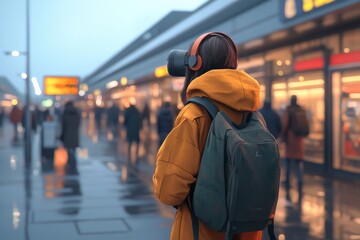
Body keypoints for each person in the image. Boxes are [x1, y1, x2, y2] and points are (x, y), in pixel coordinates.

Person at [153, 32, 262, 240]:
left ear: (196, 64)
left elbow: (168, 190)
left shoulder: (194, 115)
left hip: (201, 232)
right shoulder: (252, 112)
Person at [281, 95, 305, 195]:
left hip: (291, 139)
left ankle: (287, 180)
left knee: (288, 161)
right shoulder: (301, 110)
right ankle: (300, 181)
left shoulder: (289, 110)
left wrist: (283, 136)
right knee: (298, 162)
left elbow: (285, 124)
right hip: (299, 140)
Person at [60, 101, 81, 174]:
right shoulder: (77, 113)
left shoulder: (65, 113)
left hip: (67, 134)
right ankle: (72, 164)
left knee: (69, 150)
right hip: (75, 134)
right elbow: (78, 123)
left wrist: (62, 135)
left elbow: (63, 126)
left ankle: (71, 164)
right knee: (73, 150)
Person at [123, 100, 142, 165]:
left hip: (130, 128)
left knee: (130, 141)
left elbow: (125, 120)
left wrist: (125, 125)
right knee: (137, 141)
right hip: (136, 129)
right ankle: (136, 153)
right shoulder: (137, 111)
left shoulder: (128, 111)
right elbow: (140, 120)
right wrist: (140, 127)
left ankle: (129, 153)